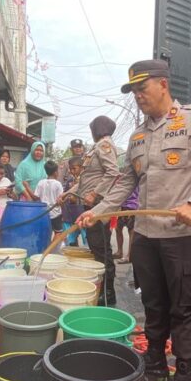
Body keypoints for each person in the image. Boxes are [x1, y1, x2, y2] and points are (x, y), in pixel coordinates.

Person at [78, 60, 191, 381]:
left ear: (163, 84)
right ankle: (156, 368)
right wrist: (97, 211)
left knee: (184, 310)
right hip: (146, 237)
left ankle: (184, 378)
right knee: (154, 307)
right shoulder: (138, 136)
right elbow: (125, 182)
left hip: (181, 236)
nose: (137, 96)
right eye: (133, 91)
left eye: (141, 88)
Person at [72, 116, 121, 306]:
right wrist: (68, 193)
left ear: (98, 129)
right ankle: (102, 290)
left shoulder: (104, 145)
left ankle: (108, 294)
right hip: (90, 205)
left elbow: (113, 172)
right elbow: (86, 178)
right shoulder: (96, 147)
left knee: (102, 250)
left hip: (99, 206)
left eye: (92, 128)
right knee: (96, 248)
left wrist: (94, 193)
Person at [61, 156, 87, 247]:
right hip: (69, 216)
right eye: (70, 169)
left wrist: (74, 198)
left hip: (83, 215)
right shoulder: (69, 181)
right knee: (70, 242)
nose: (72, 171)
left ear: (81, 167)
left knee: (88, 241)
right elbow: (65, 196)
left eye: (74, 168)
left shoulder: (87, 181)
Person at [35, 161, 64, 236]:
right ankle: (53, 247)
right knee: (58, 233)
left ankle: (47, 247)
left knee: (46, 233)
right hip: (56, 214)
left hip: (44, 213)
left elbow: (36, 197)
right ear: (55, 172)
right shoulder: (58, 184)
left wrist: (27, 187)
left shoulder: (41, 183)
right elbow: (61, 199)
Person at [114, 184, 139, 263]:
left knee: (131, 231)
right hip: (121, 206)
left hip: (132, 206)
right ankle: (119, 252)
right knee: (117, 228)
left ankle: (129, 256)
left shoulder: (137, 177)